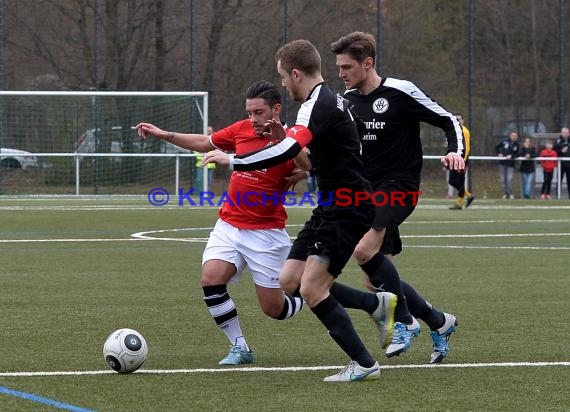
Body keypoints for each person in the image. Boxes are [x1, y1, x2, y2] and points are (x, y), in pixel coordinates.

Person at [202, 39, 404, 382]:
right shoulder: (329, 101)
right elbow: (309, 160)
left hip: (348, 206)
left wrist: (233, 159)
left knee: (311, 289)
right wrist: (289, 147)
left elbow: (286, 151)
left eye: (283, 77)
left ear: (296, 74)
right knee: (290, 280)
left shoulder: (317, 104)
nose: (282, 83)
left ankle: (365, 364)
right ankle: (378, 305)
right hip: (330, 205)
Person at [136, 81, 310, 366]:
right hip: (229, 225)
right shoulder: (242, 129)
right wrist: (163, 134)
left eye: (259, 112)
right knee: (211, 278)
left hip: (265, 234)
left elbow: (312, 164)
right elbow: (205, 142)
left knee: (274, 309)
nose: (253, 118)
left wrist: (299, 171)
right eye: (249, 112)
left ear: (276, 110)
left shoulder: (290, 138)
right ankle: (239, 346)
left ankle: (307, 293)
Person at [330, 31, 464, 363]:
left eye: (346, 67)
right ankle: (439, 322)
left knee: (362, 251)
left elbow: (448, 119)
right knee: (377, 281)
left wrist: (455, 152)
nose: (341, 73)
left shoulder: (401, 91)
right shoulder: (347, 100)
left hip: (399, 186)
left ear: (368, 63)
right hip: (367, 192)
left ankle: (404, 321)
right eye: (339, 67)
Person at [496, 131, 521, 199]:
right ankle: (505, 194)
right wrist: (499, 153)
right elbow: (497, 147)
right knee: (503, 179)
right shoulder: (504, 142)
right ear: (510, 135)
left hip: (511, 164)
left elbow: (519, 153)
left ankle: (510, 194)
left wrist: (511, 156)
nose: (514, 137)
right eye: (513, 135)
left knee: (509, 179)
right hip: (502, 163)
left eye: (515, 136)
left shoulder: (517, 144)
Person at [194, 126, 216, 191]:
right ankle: (199, 192)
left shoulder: (215, 140)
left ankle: (207, 193)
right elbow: (195, 151)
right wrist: (202, 155)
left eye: (210, 131)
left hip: (210, 164)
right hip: (201, 163)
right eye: (208, 131)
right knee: (199, 179)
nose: (209, 132)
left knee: (209, 180)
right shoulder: (201, 139)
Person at [554, 127, 570, 198]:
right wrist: (561, 151)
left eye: (567, 133)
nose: (565, 134)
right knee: (559, 181)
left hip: (569, 164)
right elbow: (554, 150)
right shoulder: (558, 141)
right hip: (561, 164)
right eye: (564, 133)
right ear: (561, 133)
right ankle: (558, 196)